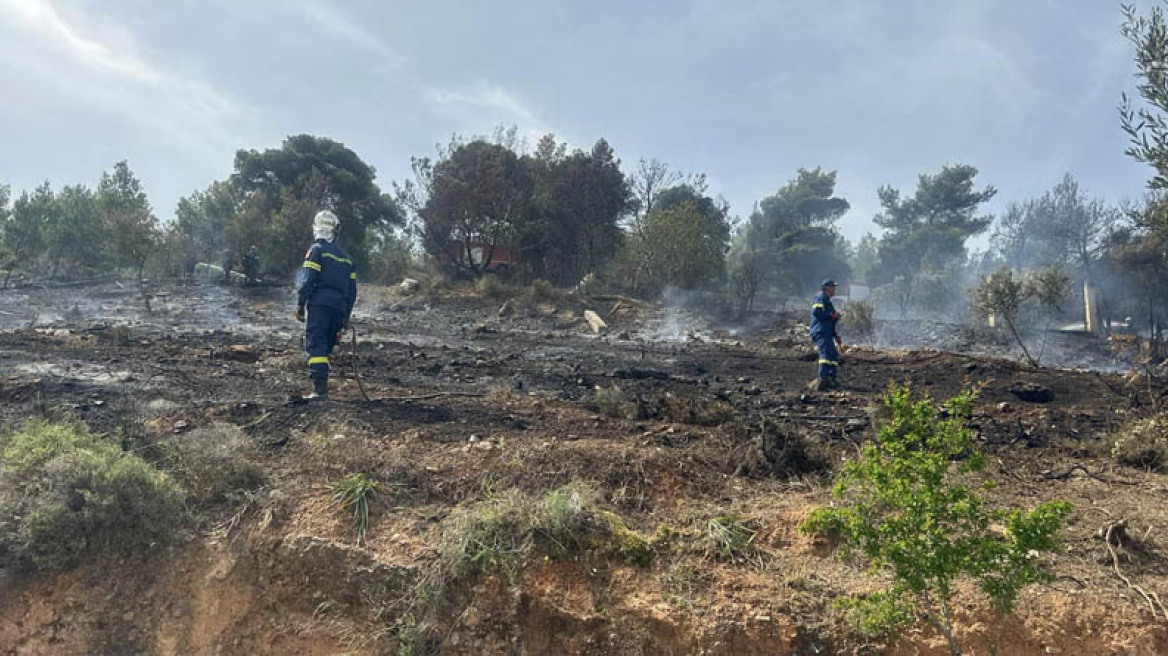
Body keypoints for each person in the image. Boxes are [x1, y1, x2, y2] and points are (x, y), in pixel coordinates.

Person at [295, 211, 358, 401]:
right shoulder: (347, 259)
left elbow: (307, 281)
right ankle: (322, 388)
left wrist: (300, 304)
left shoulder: (316, 251)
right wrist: (346, 317)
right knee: (326, 347)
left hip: (320, 307)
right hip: (338, 309)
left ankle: (320, 391)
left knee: (316, 346)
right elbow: (352, 292)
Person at [810, 278, 843, 390]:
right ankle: (822, 379)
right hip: (820, 331)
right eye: (833, 287)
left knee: (833, 355)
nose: (834, 289)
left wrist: (835, 334)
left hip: (827, 332)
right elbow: (816, 312)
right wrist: (831, 315)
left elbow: (831, 321)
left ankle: (831, 379)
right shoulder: (820, 298)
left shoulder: (828, 302)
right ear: (827, 288)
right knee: (825, 355)